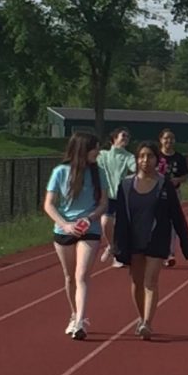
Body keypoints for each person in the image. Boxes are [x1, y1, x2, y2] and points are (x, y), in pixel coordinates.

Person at [114, 142, 188, 339]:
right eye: (141, 156)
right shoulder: (126, 185)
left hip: (157, 239)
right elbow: (121, 217)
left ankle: (148, 323)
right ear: (136, 159)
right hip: (134, 239)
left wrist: (186, 244)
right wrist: (117, 245)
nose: (145, 160)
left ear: (157, 160)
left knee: (150, 281)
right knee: (137, 281)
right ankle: (142, 318)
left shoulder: (164, 184)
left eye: (149, 156)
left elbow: (177, 215)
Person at [43, 131, 109, 340]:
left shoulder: (99, 173)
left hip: (89, 229)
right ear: (83, 149)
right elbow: (49, 204)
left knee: (82, 275)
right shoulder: (60, 172)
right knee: (70, 276)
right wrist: (65, 224)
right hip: (64, 231)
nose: (98, 152)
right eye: (95, 148)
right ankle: (74, 314)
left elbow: (103, 203)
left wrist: (89, 219)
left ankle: (80, 321)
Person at [97, 127, 135, 267]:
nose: (125, 138)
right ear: (114, 138)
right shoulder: (103, 155)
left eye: (128, 137)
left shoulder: (129, 157)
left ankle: (118, 256)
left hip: (123, 196)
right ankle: (111, 246)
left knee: (121, 226)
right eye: (123, 135)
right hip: (107, 196)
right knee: (105, 222)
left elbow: (135, 168)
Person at [158, 128, 188, 266]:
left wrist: (178, 180)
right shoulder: (156, 156)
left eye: (171, 138)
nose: (168, 141)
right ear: (161, 140)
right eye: (166, 138)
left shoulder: (179, 157)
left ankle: (170, 253)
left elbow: (185, 175)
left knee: (171, 224)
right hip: (156, 193)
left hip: (173, 193)